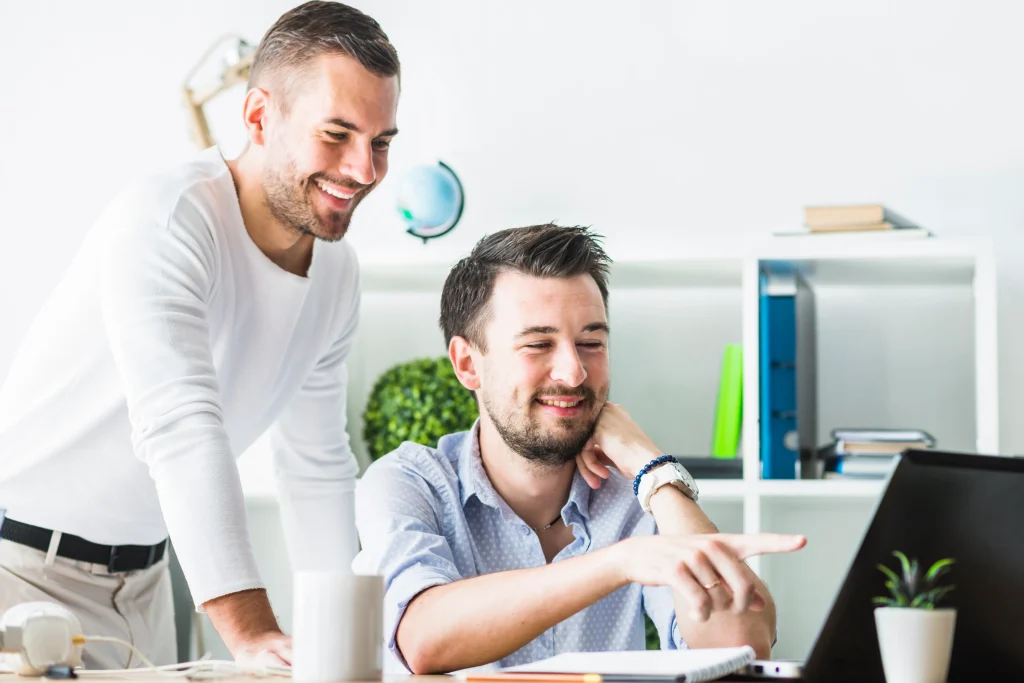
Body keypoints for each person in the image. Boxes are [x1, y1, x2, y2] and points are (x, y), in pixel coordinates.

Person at [0, 1, 399, 669]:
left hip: (149, 586)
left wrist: (350, 643)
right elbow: (180, 424)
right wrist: (251, 632)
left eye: (381, 142)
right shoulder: (167, 221)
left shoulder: (339, 276)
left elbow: (315, 464)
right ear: (257, 117)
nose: (364, 169)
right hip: (19, 576)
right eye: (336, 134)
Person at [353, 224, 807, 674]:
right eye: (538, 344)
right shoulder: (409, 482)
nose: (573, 372)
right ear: (468, 364)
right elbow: (423, 638)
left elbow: (740, 645)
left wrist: (656, 473)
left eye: (591, 343)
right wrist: (620, 563)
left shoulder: (635, 493)